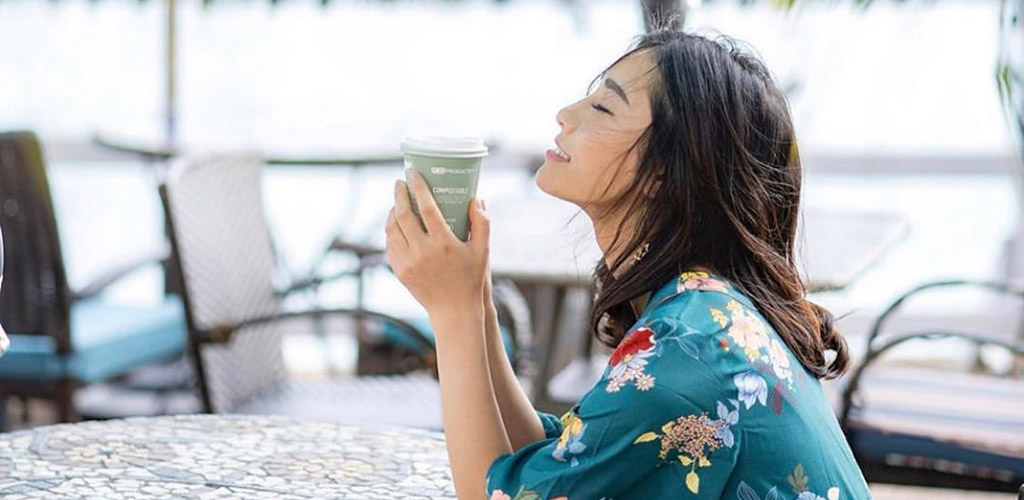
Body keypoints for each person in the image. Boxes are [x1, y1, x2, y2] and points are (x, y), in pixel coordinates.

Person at [384, 25, 873, 500]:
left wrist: (452, 313)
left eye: (603, 107)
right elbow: (561, 469)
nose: (565, 115)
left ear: (666, 171)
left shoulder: (690, 348)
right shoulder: (706, 311)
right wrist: (473, 300)